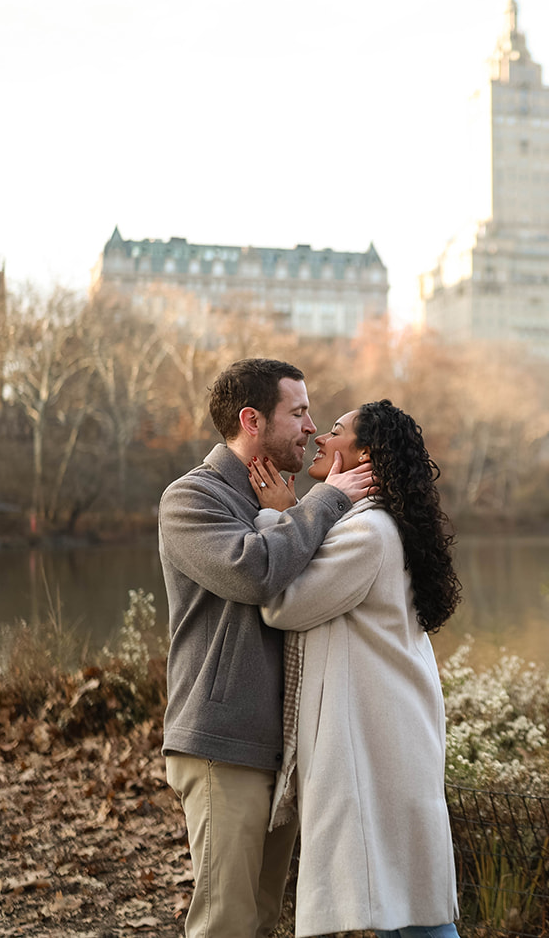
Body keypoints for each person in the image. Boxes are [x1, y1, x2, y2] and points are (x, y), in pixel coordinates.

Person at [158, 358, 375, 938]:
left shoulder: (287, 502)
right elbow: (254, 574)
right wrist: (326, 500)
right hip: (221, 741)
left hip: (282, 744)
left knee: (259, 920)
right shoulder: (190, 500)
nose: (311, 427)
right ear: (252, 420)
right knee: (225, 924)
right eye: (299, 412)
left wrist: (296, 510)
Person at [248, 399, 463, 938]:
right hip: (390, 736)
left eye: (337, 431)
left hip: (380, 743)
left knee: (407, 912)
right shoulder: (380, 524)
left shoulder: (367, 534)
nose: (321, 437)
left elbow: (282, 604)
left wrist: (280, 516)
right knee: (402, 908)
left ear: (364, 453)